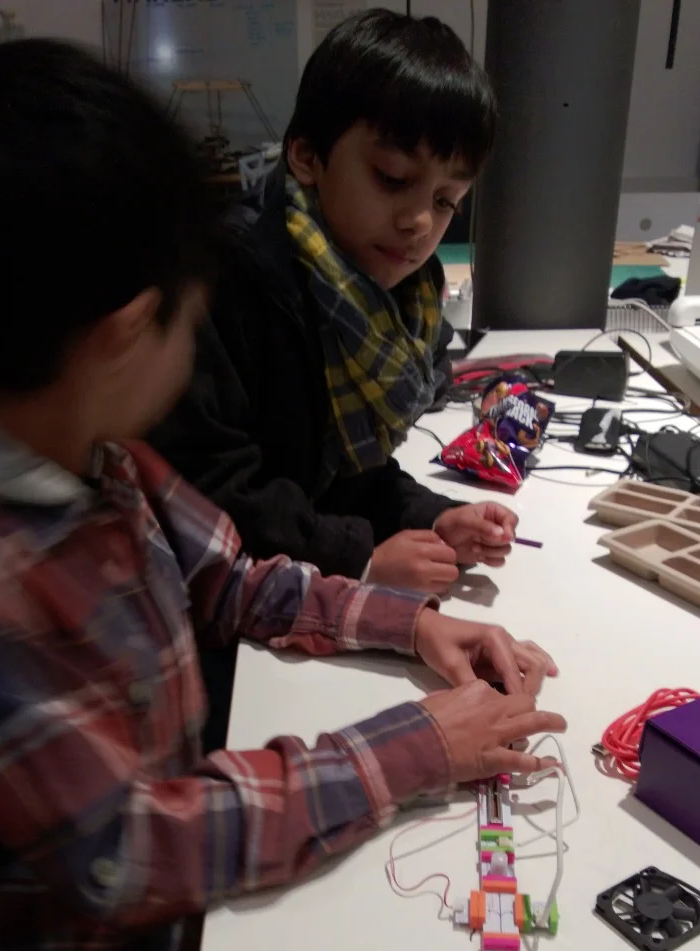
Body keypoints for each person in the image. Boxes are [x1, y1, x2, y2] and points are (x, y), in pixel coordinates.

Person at [0, 39, 565, 951]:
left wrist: (408, 622)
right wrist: (416, 745)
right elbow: (133, 849)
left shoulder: (101, 453)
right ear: (125, 332)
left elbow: (236, 575)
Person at [152, 9, 516, 598]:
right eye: (393, 178)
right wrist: (359, 558)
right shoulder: (227, 279)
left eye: (446, 200)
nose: (420, 222)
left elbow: (338, 474)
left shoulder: (385, 296)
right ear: (306, 155)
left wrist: (431, 517)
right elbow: (212, 487)